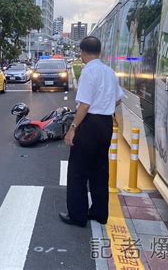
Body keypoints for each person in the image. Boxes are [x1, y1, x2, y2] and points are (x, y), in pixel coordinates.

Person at [60, 36, 124, 227]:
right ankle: (99, 213)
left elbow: (84, 105)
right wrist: (105, 103)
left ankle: (77, 216)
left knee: (77, 172)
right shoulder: (109, 72)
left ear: (82, 52)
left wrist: (72, 129)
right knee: (99, 170)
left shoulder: (89, 72)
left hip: (89, 124)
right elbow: (119, 99)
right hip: (105, 124)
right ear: (100, 51)